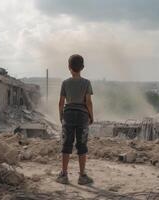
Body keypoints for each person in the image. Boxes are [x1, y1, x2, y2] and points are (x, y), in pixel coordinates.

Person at [56, 54, 94, 185]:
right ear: (82, 67)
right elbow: (88, 102)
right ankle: (82, 176)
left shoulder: (65, 83)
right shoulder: (87, 83)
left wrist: (61, 116)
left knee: (66, 144)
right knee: (82, 145)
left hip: (68, 115)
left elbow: (61, 103)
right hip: (82, 116)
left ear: (69, 67)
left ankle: (64, 175)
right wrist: (91, 116)